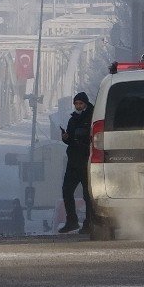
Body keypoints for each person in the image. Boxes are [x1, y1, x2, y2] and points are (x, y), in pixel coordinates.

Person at [59, 92, 94, 234]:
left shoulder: (92, 116)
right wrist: (65, 137)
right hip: (73, 161)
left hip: (87, 161)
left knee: (88, 194)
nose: (78, 106)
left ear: (85, 103)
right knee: (67, 191)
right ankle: (72, 221)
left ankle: (89, 223)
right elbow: (70, 138)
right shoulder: (73, 119)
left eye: (80, 103)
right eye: (76, 104)